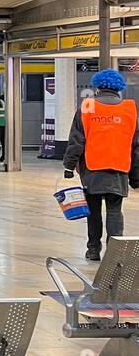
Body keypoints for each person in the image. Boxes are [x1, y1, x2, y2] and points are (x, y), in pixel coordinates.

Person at [64, 69, 139, 260]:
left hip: (93, 168)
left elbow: (77, 139)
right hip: (119, 167)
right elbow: (136, 144)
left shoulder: (88, 106)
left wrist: (69, 165)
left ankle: (93, 249)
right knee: (115, 211)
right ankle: (115, 253)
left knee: (94, 210)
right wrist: (136, 176)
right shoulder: (130, 108)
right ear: (118, 88)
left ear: (98, 86)